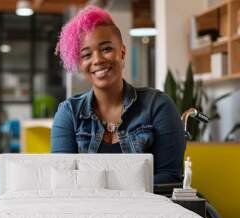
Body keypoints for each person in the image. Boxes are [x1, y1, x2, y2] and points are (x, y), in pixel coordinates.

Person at [51, 5, 185, 184]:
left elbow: (169, 178)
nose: (97, 59)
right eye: (86, 55)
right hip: (86, 210)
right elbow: (64, 181)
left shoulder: (158, 106)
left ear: (122, 52)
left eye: (106, 49)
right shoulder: (69, 113)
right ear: (79, 64)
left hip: (146, 210)